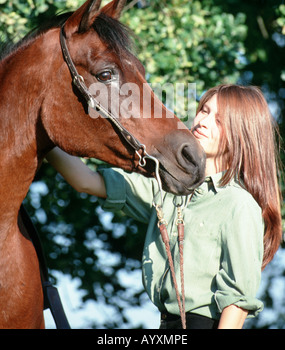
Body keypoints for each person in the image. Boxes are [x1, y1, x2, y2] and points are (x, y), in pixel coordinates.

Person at [46, 84, 283, 329]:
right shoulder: (166, 189)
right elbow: (85, 181)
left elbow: (237, 303)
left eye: (220, 120)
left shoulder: (239, 205)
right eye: (204, 110)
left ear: (241, 135)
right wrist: (42, 133)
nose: (203, 121)